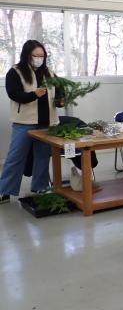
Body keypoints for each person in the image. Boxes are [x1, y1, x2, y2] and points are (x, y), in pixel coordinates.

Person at [0, 40, 64, 204]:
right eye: (35, 55)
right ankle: (4, 190)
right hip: (24, 122)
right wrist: (34, 94)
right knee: (15, 156)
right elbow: (14, 94)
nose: (38, 59)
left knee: (42, 156)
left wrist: (60, 100)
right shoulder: (16, 72)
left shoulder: (49, 72)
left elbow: (59, 90)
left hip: (47, 122)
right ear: (27, 55)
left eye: (41, 56)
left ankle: (40, 187)